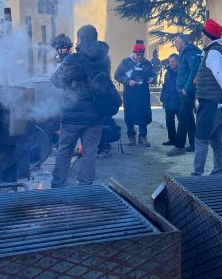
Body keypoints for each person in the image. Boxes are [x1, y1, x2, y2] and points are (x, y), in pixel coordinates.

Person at [50, 25, 110, 187]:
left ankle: (58, 184)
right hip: (95, 115)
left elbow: (55, 80)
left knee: (65, 152)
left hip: (71, 115)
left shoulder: (73, 59)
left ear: (81, 39)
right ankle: (85, 185)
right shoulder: (104, 59)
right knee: (90, 153)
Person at [192, 19, 222, 175]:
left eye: (203, 35)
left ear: (208, 36)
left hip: (213, 103)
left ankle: (197, 175)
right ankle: (217, 172)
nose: (201, 37)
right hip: (214, 102)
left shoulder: (214, 52)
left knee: (201, 138)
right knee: (216, 140)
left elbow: (221, 76)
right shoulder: (212, 51)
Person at [114, 40, 155, 147]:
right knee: (130, 115)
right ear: (134, 53)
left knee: (143, 115)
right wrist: (128, 81)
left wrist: (152, 79)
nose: (140, 57)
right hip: (130, 94)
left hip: (143, 94)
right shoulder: (126, 62)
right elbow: (117, 75)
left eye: (142, 55)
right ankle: (131, 137)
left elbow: (153, 74)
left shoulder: (147, 63)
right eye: (138, 55)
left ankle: (143, 137)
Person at [167, 34, 201, 157]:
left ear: (183, 42)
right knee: (189, 119)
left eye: (176, 41)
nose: (175, 44)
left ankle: (179, 146)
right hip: (184, 90)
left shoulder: (190, 52)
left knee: (182, 117)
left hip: (188, 91)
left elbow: (194, 71)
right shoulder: (185, 53)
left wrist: (187, 88)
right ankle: (193, 144)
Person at [161, 54, 181, 145]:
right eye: (170, 62)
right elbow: (165, 86)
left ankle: (181, 141)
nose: (171, 64)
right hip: (168, 101)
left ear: (178, 61)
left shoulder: (182, 72)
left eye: (173, 61)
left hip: (179, 101)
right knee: (169, 122)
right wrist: (163, 99)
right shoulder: (167, 72)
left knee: (182, 122)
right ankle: (172, 139)